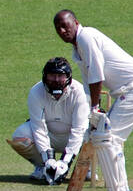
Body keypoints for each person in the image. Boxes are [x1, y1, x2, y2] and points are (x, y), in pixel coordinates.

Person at [53, 10, 133, 191]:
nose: (63, 31)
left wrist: (95, 108)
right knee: (106, 138)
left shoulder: (86, 37)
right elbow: (88, 85)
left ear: (76, 22)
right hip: (131, 90)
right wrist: (89, 114)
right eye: (58, 28)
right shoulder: (78, 49)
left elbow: (96, 75)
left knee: (106, 138)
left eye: (66, 25)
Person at [5, 56, 91, 184]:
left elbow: (79, 129)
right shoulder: (36, 92)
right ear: (45, 76)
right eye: (52, 75)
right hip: (51, 136)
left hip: (75, 138)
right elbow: (38, 127)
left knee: (100, 133)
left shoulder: (79, 92)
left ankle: (85, 167)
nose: (56, 80)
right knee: (20, 135)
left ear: (68, 77)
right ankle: (42, 167)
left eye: (60, 76)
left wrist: (65, 162)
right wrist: (48, 160)